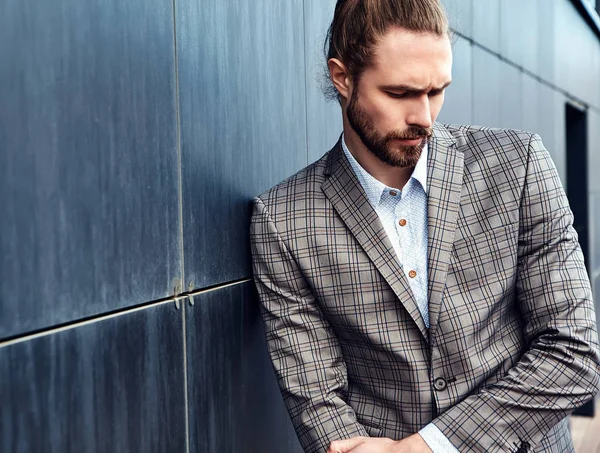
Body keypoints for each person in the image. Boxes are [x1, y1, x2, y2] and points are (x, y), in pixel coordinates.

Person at [249, 0, 600, 451]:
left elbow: (574, 354)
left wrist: (426, 447)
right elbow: (316, 397)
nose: (424, 118)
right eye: (399, 93)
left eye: (436, 91)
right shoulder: (283, 220)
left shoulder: (519, 166)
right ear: (342, 78)